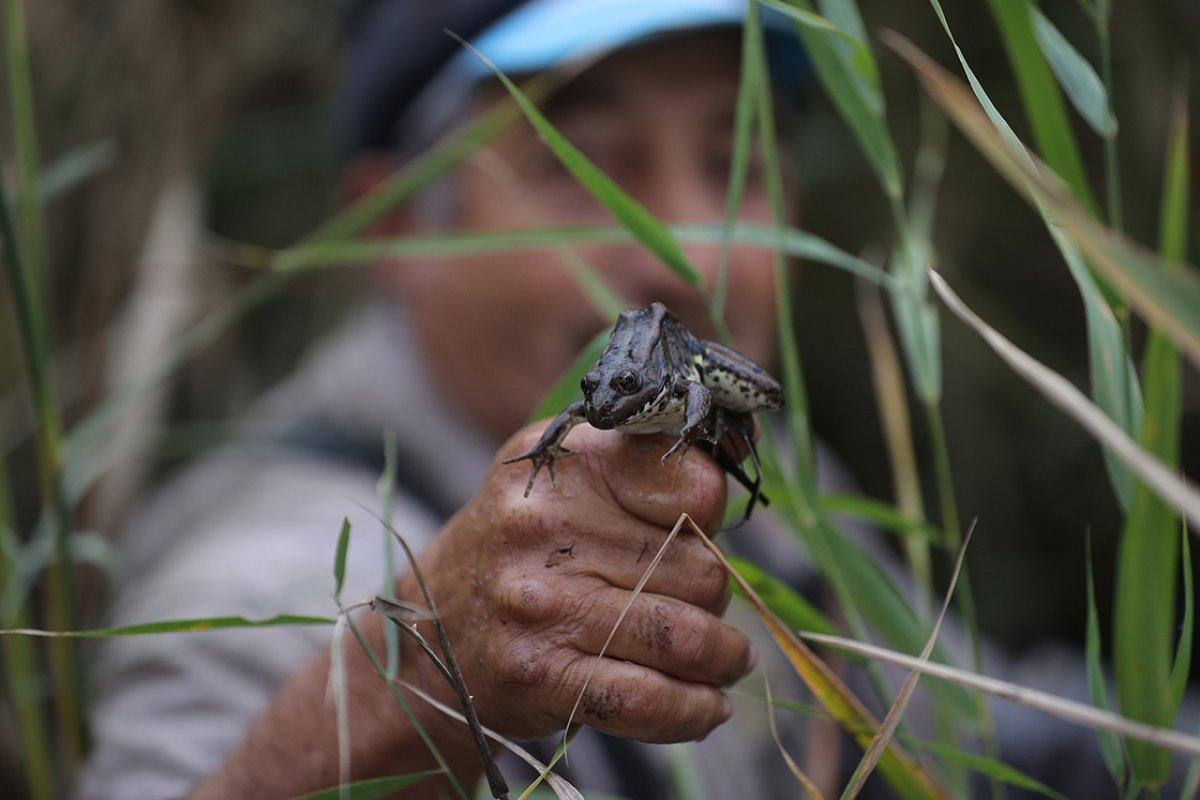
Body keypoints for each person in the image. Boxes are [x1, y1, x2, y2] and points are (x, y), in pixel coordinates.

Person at [80, 2, 1119, 798]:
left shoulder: (758, 459)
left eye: (734, 157)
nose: (687, 245)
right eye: (586, 165)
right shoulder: (282, 564)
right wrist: (414, 678)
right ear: (393, 227)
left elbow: (969, 722)